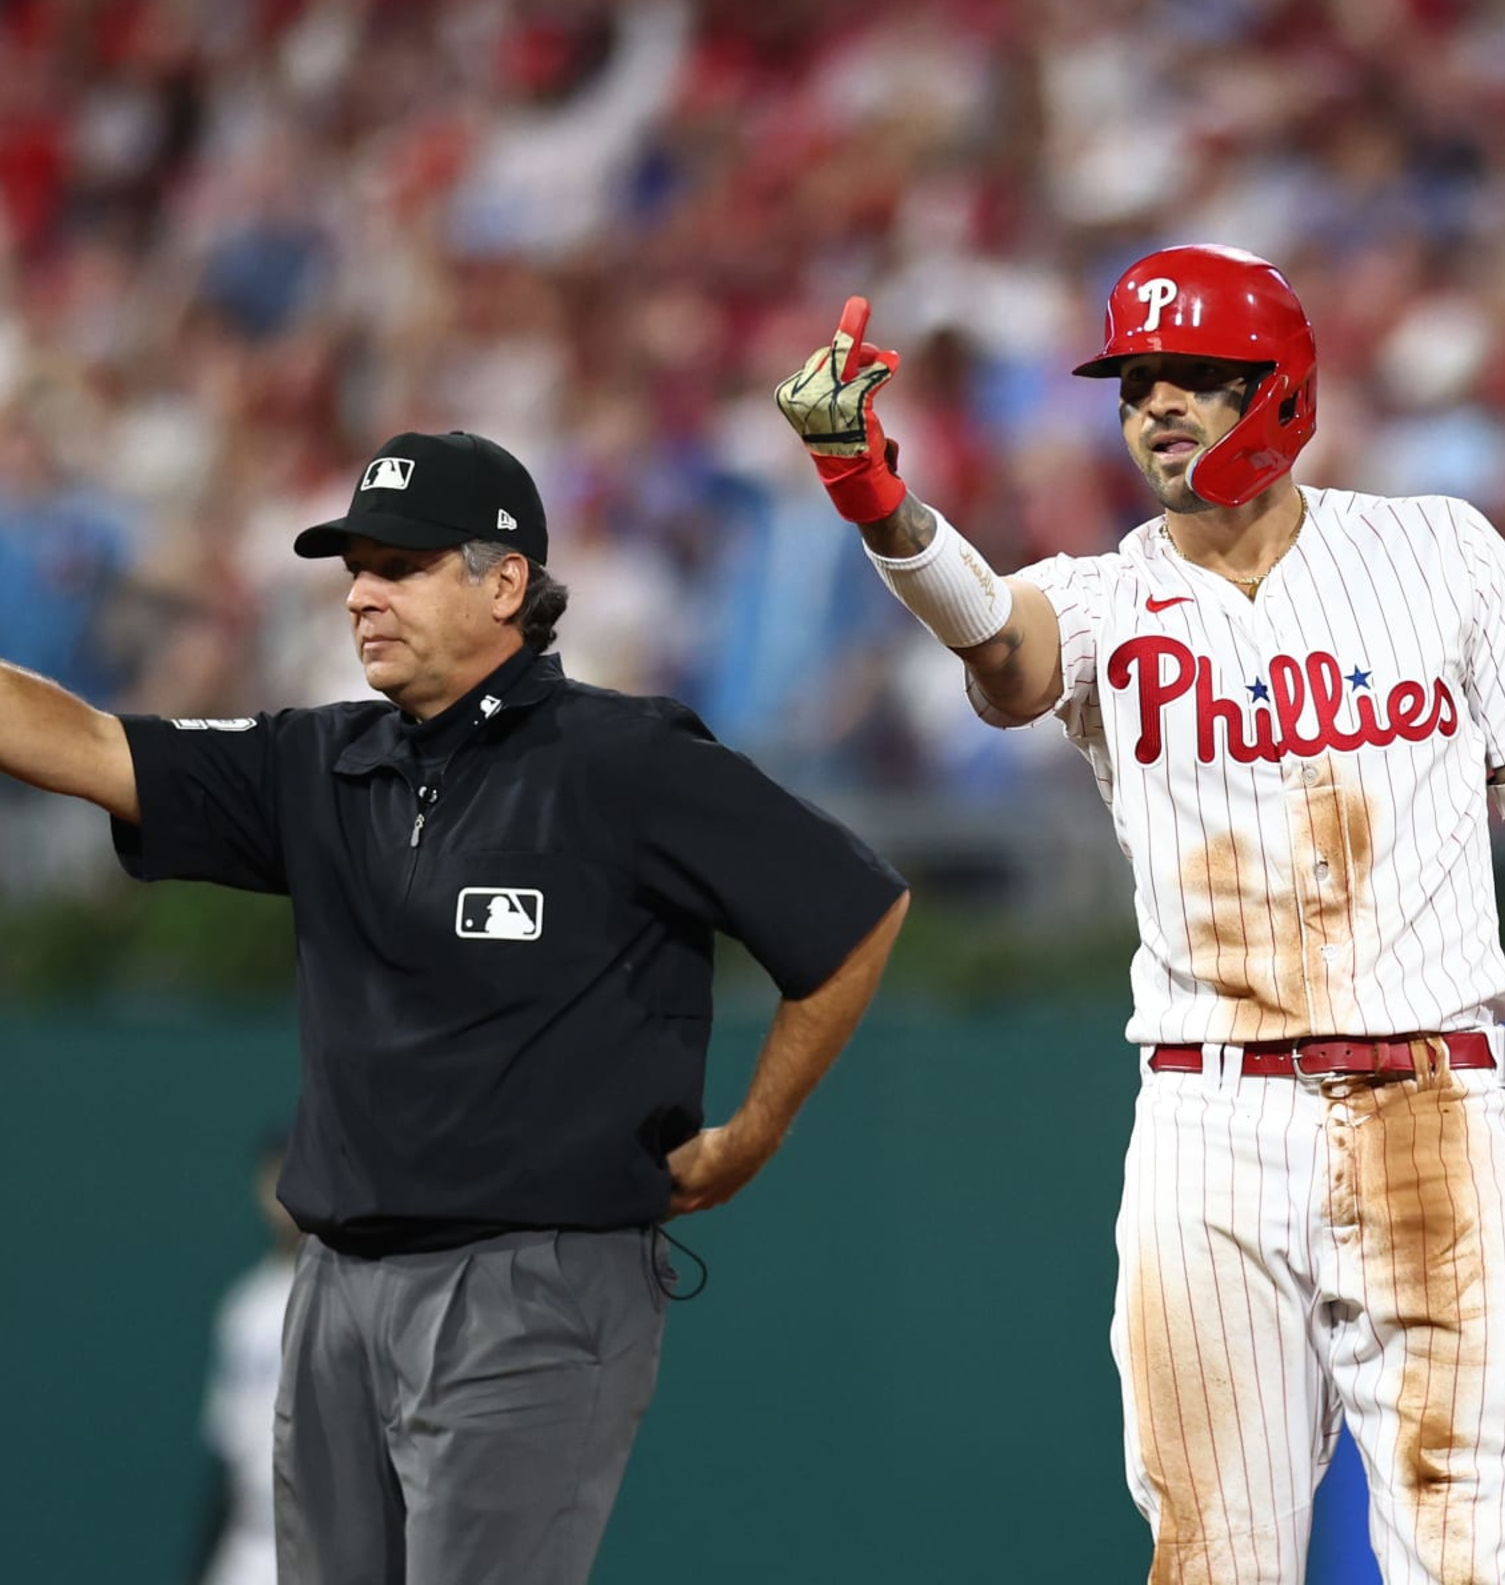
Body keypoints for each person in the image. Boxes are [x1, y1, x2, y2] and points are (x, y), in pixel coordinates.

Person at [774, 249, 1505, 1585]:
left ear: (1277, 388)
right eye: (1135, 381)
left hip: (1430, 1098)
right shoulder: (1110, 596)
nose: (1157, 404)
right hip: (1212, 1118)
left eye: (1194, 377)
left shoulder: (1439, 551)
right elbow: (1003, 642)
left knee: (1468, 1553)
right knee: (1217, 1556)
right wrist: (885, 510)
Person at [0, 427, 909, 1585]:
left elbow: (849, 913)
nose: (363, 595)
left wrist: (754, 1132)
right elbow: (85, 745)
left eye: (401, 565)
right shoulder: (319, 763)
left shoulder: (623, 760)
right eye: (355, 570)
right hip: (335, 1291)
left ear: (505, 582)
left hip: (530, 1283)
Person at [189, 1130, 301, 1585]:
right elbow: (226, 1451)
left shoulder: (353, 1297)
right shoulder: (245, 1306)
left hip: (327, 1542)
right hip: (249, 1544)